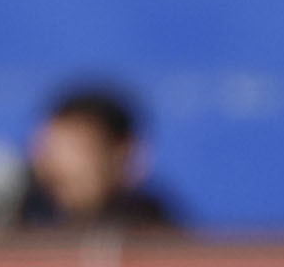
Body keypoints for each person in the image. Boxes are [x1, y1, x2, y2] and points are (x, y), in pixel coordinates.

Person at [14, 84, 182, 234]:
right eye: (48, 151)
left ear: (124, 154)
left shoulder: (160, 238)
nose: (57, 169)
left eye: (77, 149)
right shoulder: (29, 225)